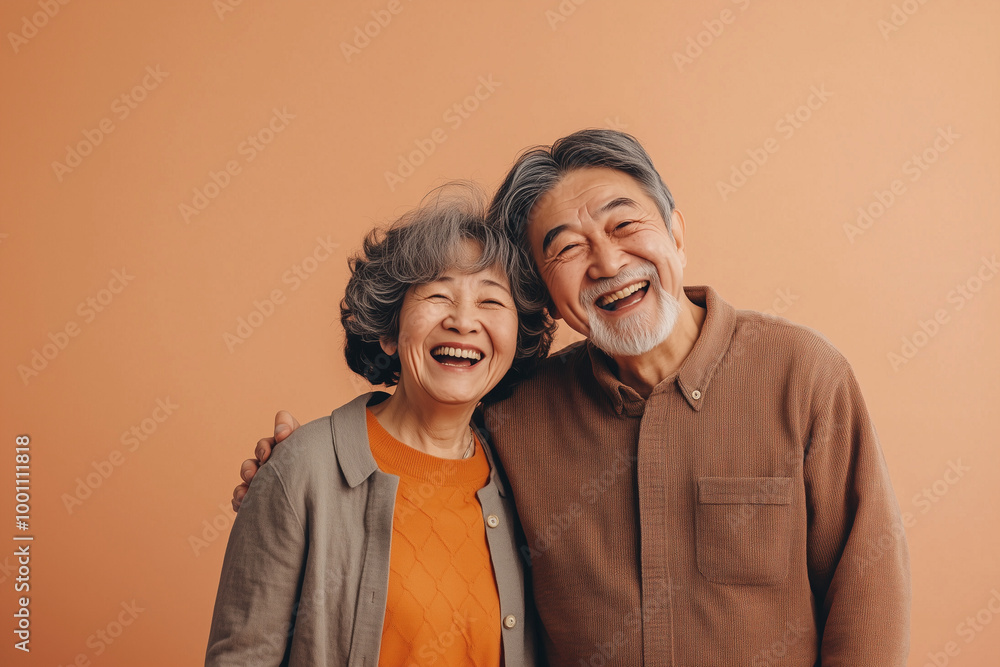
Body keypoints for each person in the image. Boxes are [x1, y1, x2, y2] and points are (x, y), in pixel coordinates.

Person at [234, 130, 911, 665]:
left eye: (624, 226)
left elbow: (868, 600)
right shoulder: (517, 411)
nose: (608, 263)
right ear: (550, 297)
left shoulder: (804, 376)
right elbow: (422, 452)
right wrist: (299, 475)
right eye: (568, 248)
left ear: (676, 231)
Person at [207, 186, 553, 666]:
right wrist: (279, 472)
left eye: (492, 302)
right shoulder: (304, 468)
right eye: (438, 294)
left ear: (516, 337)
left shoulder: (520, 481)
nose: (464, 321)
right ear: (389, 331)